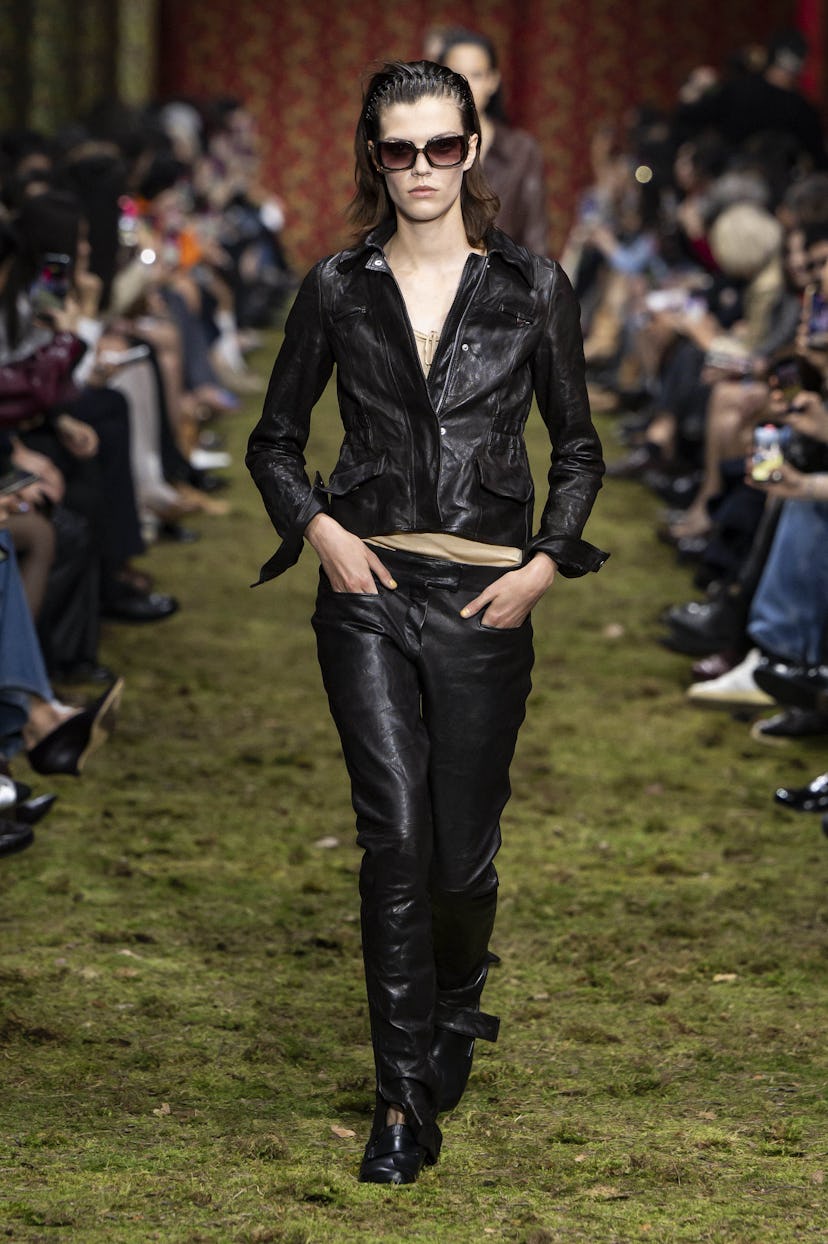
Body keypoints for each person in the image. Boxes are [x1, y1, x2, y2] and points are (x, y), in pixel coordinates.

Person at [247, 60, 607, 1185]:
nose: (420, 170)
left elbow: (581, 447)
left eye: (440, 147)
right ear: (372, 154)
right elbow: (272, 439)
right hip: (368, 591)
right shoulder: (336, 287)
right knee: (394, 836)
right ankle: (401, 1099)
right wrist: (325, 534)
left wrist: (547, 562)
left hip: (489, 596)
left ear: (473, 146)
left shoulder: (533, 288)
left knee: (459, 854)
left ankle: (458, 996)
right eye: (398, 150)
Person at [438, 30, 548, 254]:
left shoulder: (520, 150)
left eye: (476, 75)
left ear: (493, 81)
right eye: (455, 75)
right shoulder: (421, 146)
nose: (466, 85)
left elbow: (535, 237)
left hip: (503, 282)